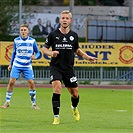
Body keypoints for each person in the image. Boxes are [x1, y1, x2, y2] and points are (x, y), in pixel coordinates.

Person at [42, 10, 97, 124]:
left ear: (70, 21)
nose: (65, 20)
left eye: (67, 18)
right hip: (56, 66)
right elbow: (44, 48)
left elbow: (77, 50)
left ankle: (74, 108)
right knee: (57, 88)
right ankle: (56, 117)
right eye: (63, 18)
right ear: (60, 20)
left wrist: (88, 57)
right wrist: (51, 53)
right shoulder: (53, 35)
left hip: (68, 68)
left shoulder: (74, 36)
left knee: (75, 94)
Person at [2, 24, 40, 110]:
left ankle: (33, 103)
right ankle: (7, 101)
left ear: (28, 31)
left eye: (24, 30)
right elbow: (14, 53)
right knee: (11, 82)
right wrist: (11, 64)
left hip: (27, 65)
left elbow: (38, 52)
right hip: (17, 65)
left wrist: (36, 57)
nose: (23, 32)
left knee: (31, 83)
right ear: (20, 31)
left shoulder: (32, 41)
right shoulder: (16, 40)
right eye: (21, 30)